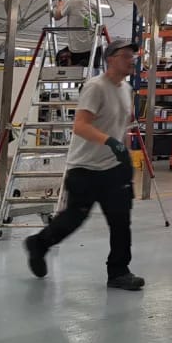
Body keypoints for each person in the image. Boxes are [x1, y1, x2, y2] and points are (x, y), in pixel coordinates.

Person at [24, 39, 144, 291]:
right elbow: (80, 126)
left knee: (121, 221)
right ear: (110, 59)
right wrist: (110, 142)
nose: (131, 60)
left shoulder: (127, 88)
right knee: (73, 219)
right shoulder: (95, 87)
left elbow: (120, 126)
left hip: (113, 169)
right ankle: (39, 244)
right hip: (85, 168)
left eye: (132, 56)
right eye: (125, 55)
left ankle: (119, 272)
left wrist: (125, 154)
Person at [53, 0, 99, 67]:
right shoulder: (94, 3)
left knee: (60, 56)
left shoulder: (72, 1)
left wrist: (60, 5)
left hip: (78, 49)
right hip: (95, 47)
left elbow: (57, 16)